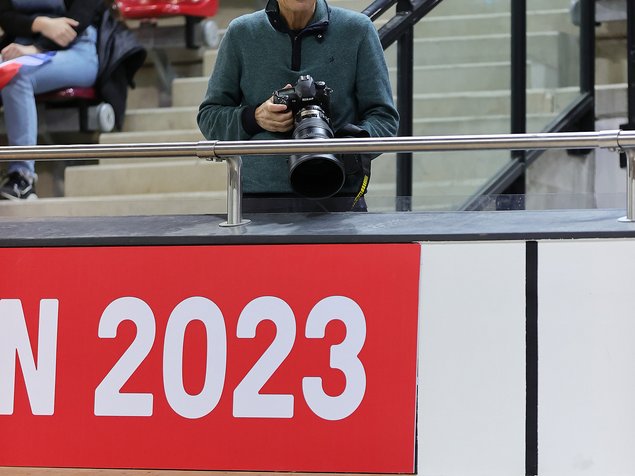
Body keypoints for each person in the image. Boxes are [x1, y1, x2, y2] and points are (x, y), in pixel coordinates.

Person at [197, 0, 399, 213]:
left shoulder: (357, 29)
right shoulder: (241, 33)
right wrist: (254, 118)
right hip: (260, 196)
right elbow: (209, 117)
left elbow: (385, 118)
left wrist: (346, 147)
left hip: (338, 191)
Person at [0, 0, 106, 200]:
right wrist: (41, 24)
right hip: (20, 46)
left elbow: (78, 19)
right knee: (12, 67)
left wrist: (38, 47)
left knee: (16, 73)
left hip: (76, 49)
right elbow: (5, 16)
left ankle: (22, 178)